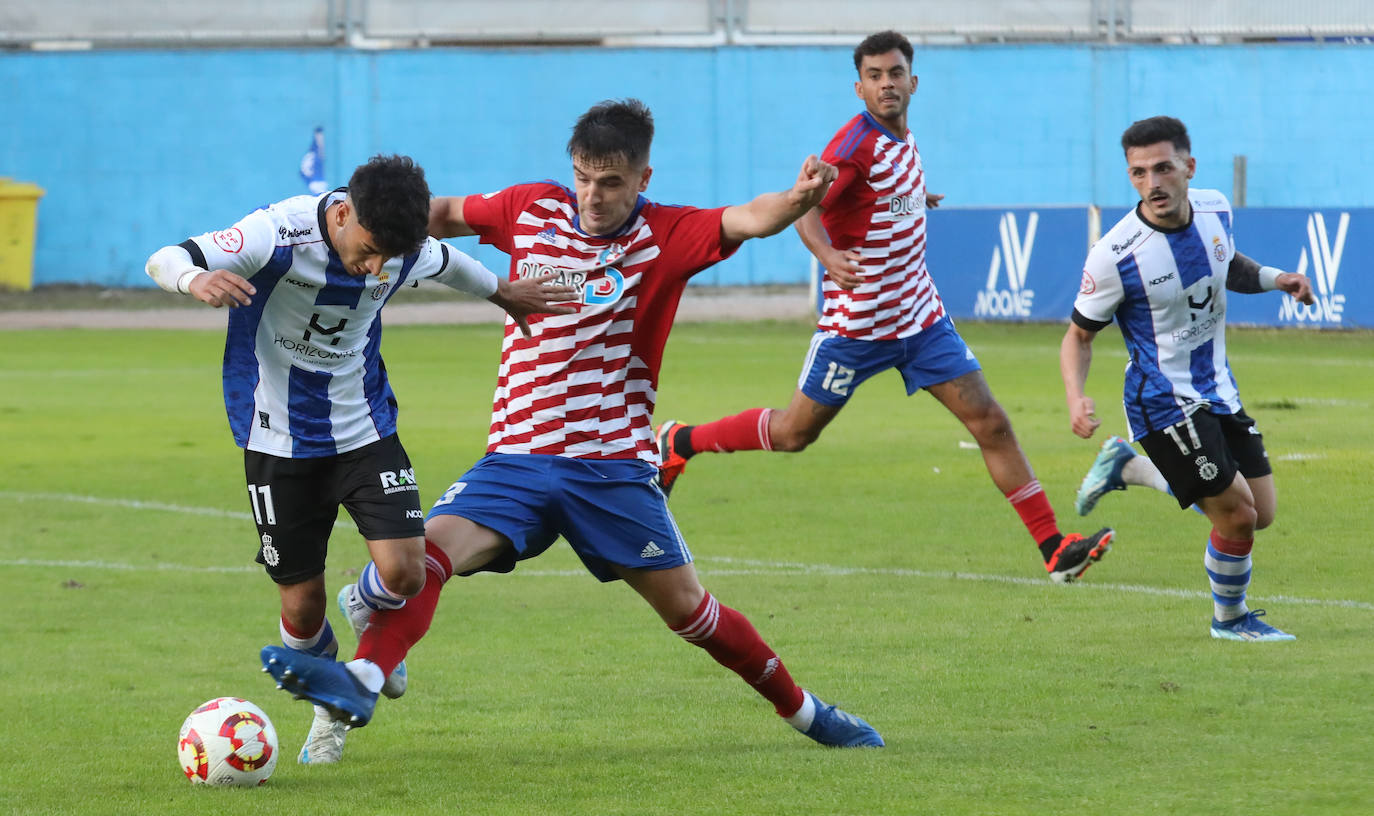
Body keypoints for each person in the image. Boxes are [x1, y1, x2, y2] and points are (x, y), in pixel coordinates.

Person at [259, 99, 884, 748]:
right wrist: (359, 223)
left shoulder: (667, 235)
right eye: (584, 177)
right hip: (517, 460)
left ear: (643, 179)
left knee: (691, 614)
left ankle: (807, 713)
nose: (592, 195)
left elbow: (751, 218)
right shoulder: (530, 207)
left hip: (610, 467)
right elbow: (440, 213)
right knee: (427, 557)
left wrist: (799, 197)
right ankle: (361, 678)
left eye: (611, 182)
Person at [146, 154, 572, 763]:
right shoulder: (276, 233)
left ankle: (364, 615)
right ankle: (327, 704)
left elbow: (451, 264)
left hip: (364, 430)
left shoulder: (399, 246)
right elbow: (167, 257)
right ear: (342, 212)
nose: (374, 267)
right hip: (278, 440)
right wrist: (195, 280)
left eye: (387, 258)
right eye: (367, 249)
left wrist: (505, 294)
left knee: (407, 572)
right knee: (300, 605)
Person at [653, 30, 1114, 584]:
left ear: (912, 81)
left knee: (990, 421)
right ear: (859, 87)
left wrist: (920, 198)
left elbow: (887, 192)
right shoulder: (852, 148)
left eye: (895, 73)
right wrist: (827, 254)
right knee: (795, 434)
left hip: (919, 318)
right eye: (874, 76)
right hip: (858, 326)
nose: (886, 84)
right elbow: (806, 206)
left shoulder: (904, 140)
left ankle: (1053, 547)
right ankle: (680, 441)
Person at [1060, 115, 1315, 641]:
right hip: (1161, 401)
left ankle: (1129, 468)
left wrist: (1276, 279)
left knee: (1261, 513)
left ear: (1188, 167)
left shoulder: (1216, 206)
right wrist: (1075, 396)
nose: (1151, 183)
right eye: (1138, 173)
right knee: (1237, 517)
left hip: (1217, 388)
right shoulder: (1115, 256)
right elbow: (1077, 337)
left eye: (1162, 168)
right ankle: (1230, 620)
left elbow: (1227, 264)